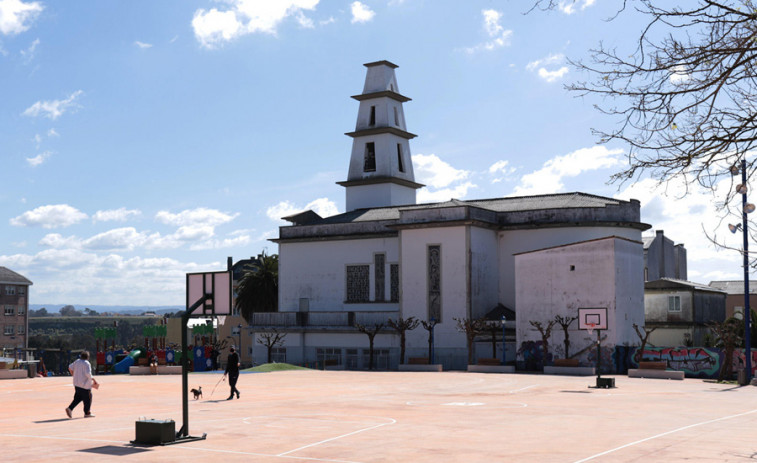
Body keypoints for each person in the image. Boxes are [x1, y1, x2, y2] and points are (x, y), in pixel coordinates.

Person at [65, 351, 98, 418]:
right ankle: (87, 413)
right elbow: (88, 374)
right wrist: (93, 379)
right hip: (85, 385)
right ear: (87, 357)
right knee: (88, 397)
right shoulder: (87, 363)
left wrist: (73, 374)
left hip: (76, 384)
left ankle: (70, 408)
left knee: (78, 398)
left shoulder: (77, 361)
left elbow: (70, 367)